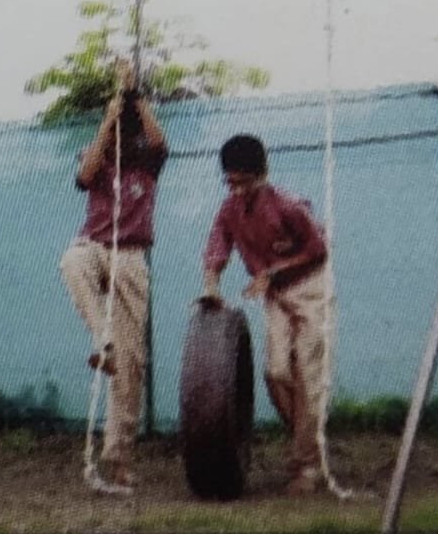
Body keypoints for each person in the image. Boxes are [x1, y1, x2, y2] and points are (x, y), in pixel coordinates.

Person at [199, 134, 331, 495]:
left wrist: (273, 271)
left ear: (262, 175)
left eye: (244, 182)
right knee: (276, 372)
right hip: (275, 294)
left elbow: (319, 249)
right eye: (231, 183)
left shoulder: (289, 205)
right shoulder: (229, 209)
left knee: (308, 373)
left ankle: (306, 466)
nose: (237, 190)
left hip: (310, 288)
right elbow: (217, 244)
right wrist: (211, 286)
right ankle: (309, 442)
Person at [59, 58, 168, 492]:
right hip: (95, 247)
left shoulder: (148, 162)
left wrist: (133, 95)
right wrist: (107, 117)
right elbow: (84, 175)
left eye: (125, 127)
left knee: (131, 364)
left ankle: (119, 458)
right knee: (71, 261)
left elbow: (158, 140)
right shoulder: (98, 158)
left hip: (131, 257)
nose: (122, 135)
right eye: (116, 128)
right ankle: (102, 341)